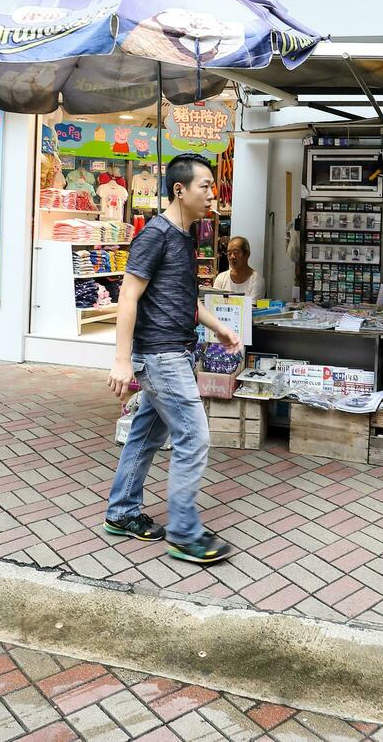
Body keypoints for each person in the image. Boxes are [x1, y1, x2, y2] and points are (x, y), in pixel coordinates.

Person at [105, 153, 242, 564]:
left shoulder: (185, 236)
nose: (211, 194)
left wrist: (218, 327)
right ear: (179, 190)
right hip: (161, 356)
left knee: (146, 435)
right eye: (205, 186)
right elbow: (128, 295)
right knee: (194, 438)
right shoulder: (156, 235)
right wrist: (121, 359)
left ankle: (122, 513)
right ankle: (184, 534)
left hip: (176, 351)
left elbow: (185, 300)